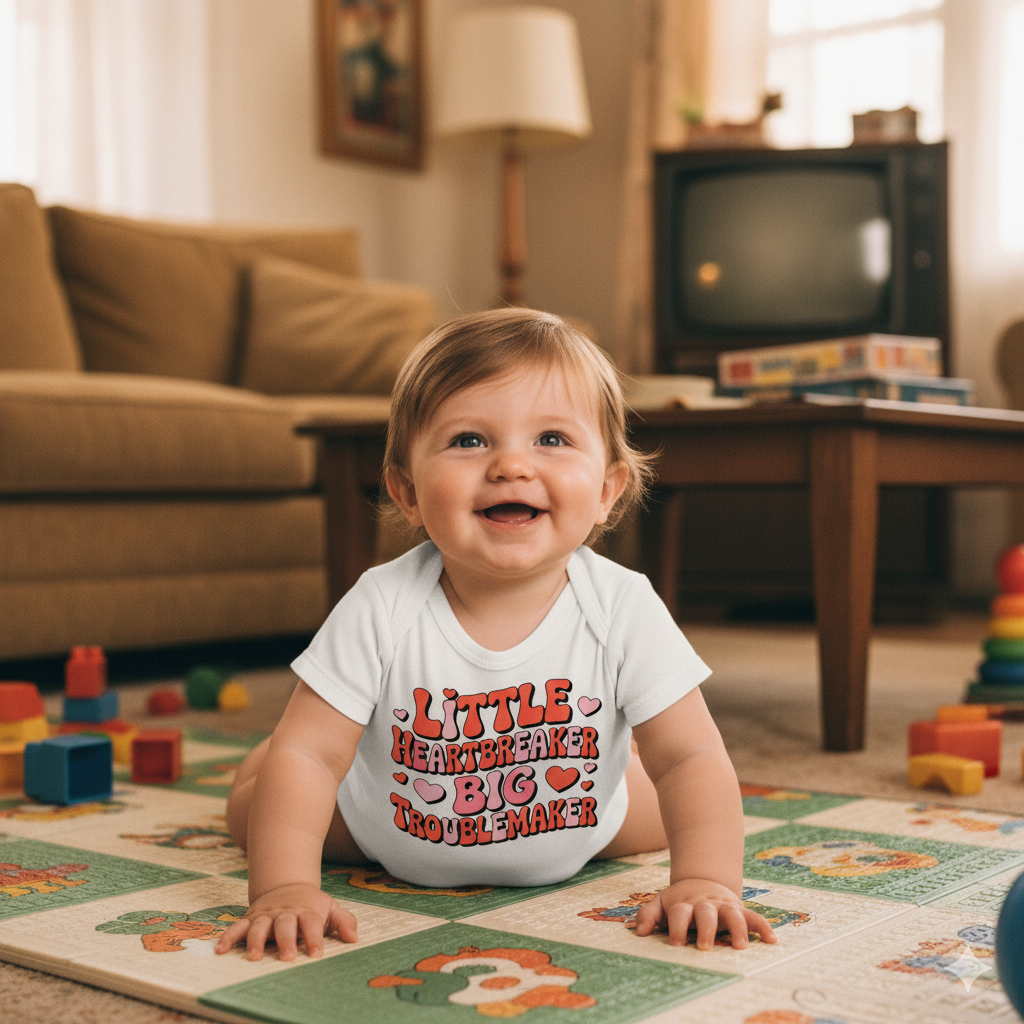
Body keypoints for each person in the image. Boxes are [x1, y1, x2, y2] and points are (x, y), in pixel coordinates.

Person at [215, 307, 776, 962]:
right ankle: (270, 754)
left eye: (553, 440)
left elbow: (691, 758)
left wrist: (705, 881)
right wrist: (283, 889)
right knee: (261, 803)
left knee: (670, 791)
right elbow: (310, 759)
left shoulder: (624, 606)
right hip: (385, 826)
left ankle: (618, 777)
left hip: (585, 825)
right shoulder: (380, 604)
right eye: (470, 441)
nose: (512, 465)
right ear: (408, 493)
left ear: (606, 490)